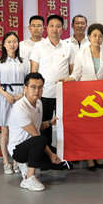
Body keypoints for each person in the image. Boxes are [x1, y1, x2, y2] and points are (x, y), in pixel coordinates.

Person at [63, 23, 103, 171]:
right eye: (94, 35)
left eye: (100, 36)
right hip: (86, 98)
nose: (97, 38)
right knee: (87, 130)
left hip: (102, 98)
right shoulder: (81, 54)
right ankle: (89, 159)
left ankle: (98, 157)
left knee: (99, 130)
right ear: (89, 37)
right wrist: (66, 80)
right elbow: (76, 75)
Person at [7, 72, 65, 191]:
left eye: (40, 87)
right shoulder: (20, 108)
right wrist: (51, 155)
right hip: (18, 149)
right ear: (25, 88)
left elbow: (38, 126)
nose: (37, 91)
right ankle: (29, 178)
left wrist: (50, 122)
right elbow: (36, 135)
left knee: (63, 164)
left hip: (34, 146)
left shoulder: (39, 103)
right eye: (33, 87)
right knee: (41, 140)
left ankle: (28, 164)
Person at [29, 14, 74, 148]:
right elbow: (34, 70)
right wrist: (34, 91)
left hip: (63, 93)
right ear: (46, 28)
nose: (55, 29)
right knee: (45, 124)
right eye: (52, 26)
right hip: (44, 93)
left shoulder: (68, 46)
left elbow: (72, 71)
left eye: (58, 26)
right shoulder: (39, 46)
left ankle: (65, 152)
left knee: (65, 123)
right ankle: (46, 152)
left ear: (63, 28)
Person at [0, 31, 31, 174]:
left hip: (20, 98)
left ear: (18, 44)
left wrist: (22, 95)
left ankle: (17, 161)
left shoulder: (24, 62)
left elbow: (29, 82)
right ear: (3, 44)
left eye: (14, 42)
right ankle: (6, 162)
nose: (12, 44)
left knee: (19, 130)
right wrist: (6, 95)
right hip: (4, 98)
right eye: (9, 42)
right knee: (5, 130)